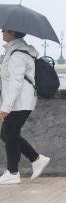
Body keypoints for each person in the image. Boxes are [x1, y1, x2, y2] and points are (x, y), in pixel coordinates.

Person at [0, 30, 50, 184]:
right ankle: (36, 159)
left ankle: (13, 172)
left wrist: (5, 107)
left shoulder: (17, 55)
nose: (2, 32)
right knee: (8, 134)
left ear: (12, 33)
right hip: (20, 102)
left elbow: (16, 83)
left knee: (9, 133)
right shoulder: (15, 52)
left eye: (4, 30)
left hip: (19, 102)